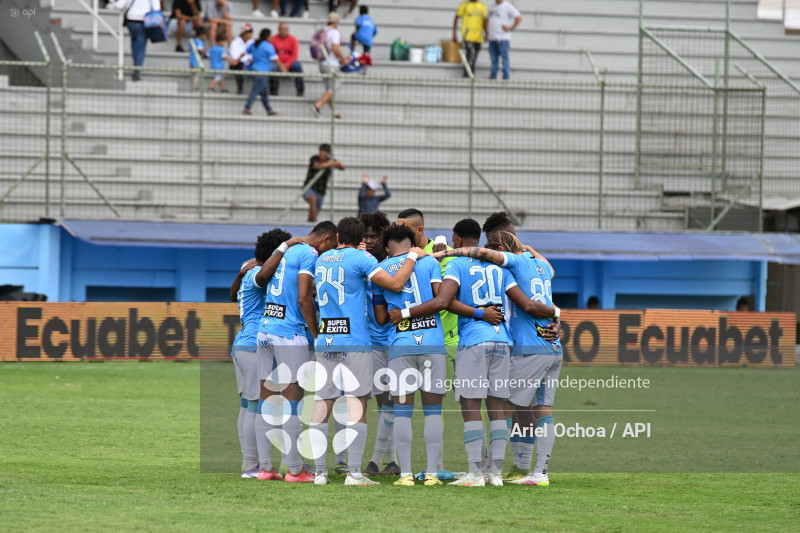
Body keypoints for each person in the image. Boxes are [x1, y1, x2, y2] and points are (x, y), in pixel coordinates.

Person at [433, 231, 562, 488]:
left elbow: (446, 299)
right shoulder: (538, 266)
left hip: (515, 345)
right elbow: (539, 289)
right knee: (525, 410)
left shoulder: (505, 264)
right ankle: (514, 473)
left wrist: (441, 253)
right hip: (536, 344)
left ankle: (478, 472)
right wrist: (558, 315)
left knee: (478, 406)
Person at [310, 217, 424, 486]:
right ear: (361, 238)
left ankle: (319, 473)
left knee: (322, 404)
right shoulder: (362, 260)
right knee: (357, 404)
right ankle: (355, 473)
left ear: (338, 237)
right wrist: (412, 257)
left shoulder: (322, 260)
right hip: (354, 342)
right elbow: (395, 284)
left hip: (327, 340)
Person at [254, 222, 338, 482]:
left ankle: (266, 468)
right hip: (289, 333)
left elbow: (260, 280)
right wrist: (316, 335)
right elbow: (304, 298)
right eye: (331, 247)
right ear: (325, 240)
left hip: (264, 329)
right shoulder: (309, 254)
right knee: (292, 404)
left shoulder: (284, 251)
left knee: (266, 403)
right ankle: (294, 469)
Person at [370, 224, 446, 486]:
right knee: (433, 411)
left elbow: (381, 318)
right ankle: (433, 474)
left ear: (388, 248)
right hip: (433, 343)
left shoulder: (381, 269)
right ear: (412, 243)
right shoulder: (430, 264)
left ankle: (405, 475)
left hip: (401, 346)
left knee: (403, 410)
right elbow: (438, 299)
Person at [227, 230, 306, 478]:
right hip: (252, 346)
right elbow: (261, 279)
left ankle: (257, 465)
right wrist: (286, 246)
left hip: (245, 344)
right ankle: (253, 467)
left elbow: (232, 295)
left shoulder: (247, 271)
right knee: (255, 406)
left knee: (248, 405)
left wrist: (240, 272)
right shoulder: (256, 274)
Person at [358, 212, 400, 476]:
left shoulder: (392, 265)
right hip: (369, 344)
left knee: (390, 402)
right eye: (364, 236)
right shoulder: (357, 261)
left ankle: (375, 461)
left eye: (373, 236)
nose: (369, 241)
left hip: (394, 341)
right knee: (382, 404)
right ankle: (392, 461)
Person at [397, 208, 459, 375]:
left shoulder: (446, 253)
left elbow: (445, 297)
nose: (401, 235)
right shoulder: (397, 257)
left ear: (420, 230)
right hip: (409, 339)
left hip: (446, 338)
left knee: (452, 397)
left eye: (406, 230)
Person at [310, 12, 350, 120]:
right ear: (336, 22)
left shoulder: (323, 30)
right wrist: (344, 59)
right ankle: (317, 106)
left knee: (330, 89)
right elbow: (335, 48)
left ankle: (335, 112)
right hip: (331, 64)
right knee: (333, 88)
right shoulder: (334, 32)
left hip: (322, 63)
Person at [114, 0, 161, 81]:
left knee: (134, 42)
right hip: (144, 20)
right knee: (141, 46)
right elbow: (157, 8)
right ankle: (137, 70)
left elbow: (119, 5)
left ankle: (136, 65)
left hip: (131, 20)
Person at [243, 28, 285, 116]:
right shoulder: (268, 46)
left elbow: (246, 52)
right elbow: (275, 59)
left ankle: (269, 110)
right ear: (268, 36)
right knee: (256, 90)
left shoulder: (255, 44)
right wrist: (282, 67)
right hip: (262, 72)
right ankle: (247, 108)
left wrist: (241, 60)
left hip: (254, 70)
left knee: (265, 92)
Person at [303, 144, 345, 222]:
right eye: (322, 152)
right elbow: (318, 166)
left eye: (326, 152)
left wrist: (336, 163)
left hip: (321, 192)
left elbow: (342, 167)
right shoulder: (314, 158)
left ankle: (309, 225)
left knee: (313, 214)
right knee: (313, 199)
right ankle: (313, 225)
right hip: (309, 188)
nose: (323, 154)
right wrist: (332, 163)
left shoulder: (331, 160)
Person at [486, 0, 521, 80]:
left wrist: (511, 28)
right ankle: (493, 75)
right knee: (494, 59)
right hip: (492, 38)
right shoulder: (492, 7)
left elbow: (518, 17)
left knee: (504, 58)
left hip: (503, 38)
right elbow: (486, 19)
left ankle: (506, 76)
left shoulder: (507, 6)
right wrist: (487, 32)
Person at [269, 22, 305, 97]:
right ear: (278, 30)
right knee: (272, 68)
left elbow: (294, 55)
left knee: (298, 66)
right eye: (282, 29)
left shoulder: (293, 39)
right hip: (277, 63)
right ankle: (274, 91)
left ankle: (300, 91)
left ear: (288, 30)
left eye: (285, 29)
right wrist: (281, 65)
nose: (283, 31)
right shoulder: (273, 39)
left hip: (290, 63)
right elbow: (272, 55)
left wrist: (286, 65)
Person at [453, 0, 487, 77]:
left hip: (478, 36)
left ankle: (471, 75)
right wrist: (454, 34)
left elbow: (484, 21)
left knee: (474, 57)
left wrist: (486, 33)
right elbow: (456, 18)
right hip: (467, 36)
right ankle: (466, 75)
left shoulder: (482, 6)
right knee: (470, 55)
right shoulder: (464, 5)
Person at [229, 23, 254, 95]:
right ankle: (240, 88)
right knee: (238, 65)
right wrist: (246, 60)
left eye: (250, 32)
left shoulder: (252, 42)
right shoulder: (235, 42)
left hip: (249, 63)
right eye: (248, 32)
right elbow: (235, 57)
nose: (250, 34)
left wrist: (250, 60)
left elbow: (253, 54)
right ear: (243, 33)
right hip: (239, 63)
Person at [188, 26, 206, 92]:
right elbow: (200, 49)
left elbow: (189, 49)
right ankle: (194, 88)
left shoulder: (192, 41)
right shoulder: (199, 41)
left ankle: (192, 88)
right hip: (197, 61)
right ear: (201, 35)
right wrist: (205, 53)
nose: (205, 37)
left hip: (191, 60)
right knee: (197, 75)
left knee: (193, 75)